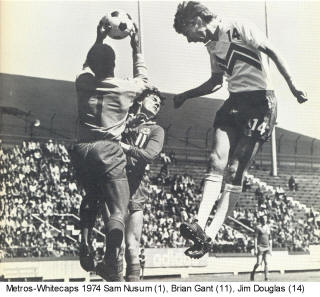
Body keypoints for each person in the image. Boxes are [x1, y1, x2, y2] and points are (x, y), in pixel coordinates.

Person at [172, 1, 308, 258]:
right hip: (235, 102)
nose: (189, 41)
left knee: (234, 170)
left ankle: (209, 236)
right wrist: (186, 95)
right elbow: (215, 82)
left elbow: (272, 50)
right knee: (215, 160)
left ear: (196, 21)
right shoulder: (211, 46)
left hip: (259, 102)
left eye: (186, 33)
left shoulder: (238, 27)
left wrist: (292, 85)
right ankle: (199, 225)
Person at [70, 20, 150, 281]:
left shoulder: (82, 82)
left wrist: (98, 38)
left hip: (81, 150)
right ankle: (108, 260)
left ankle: (84, 240)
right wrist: (136, 47)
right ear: (114, 64)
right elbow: (144, 80)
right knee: (118, 210)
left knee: (92, 195)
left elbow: (86, 65)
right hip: (108, 150)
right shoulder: (126, 89)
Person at [120, 87, 165, 281]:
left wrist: (123, 146)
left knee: (133, 244)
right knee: (116, 242)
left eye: (159, 103)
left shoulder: (156, 129)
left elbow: (149, 155)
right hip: (116, 180)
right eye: (154, 99)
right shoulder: (122, 119)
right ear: (141, 99)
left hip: (137, 186)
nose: (157, 104)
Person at [250, 216, 272, 281]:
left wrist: (270, 248)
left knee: (266, 262)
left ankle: (266, 277)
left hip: (267, 246)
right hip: (260, 246)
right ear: (261, 220)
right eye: (263, 219)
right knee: (258, 263)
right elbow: (255, 238)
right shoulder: (258, 228)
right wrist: (256, 248)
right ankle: (252, 273)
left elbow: (270, 238)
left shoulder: (268, 227)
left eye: (265, 219)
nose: (264, 220)